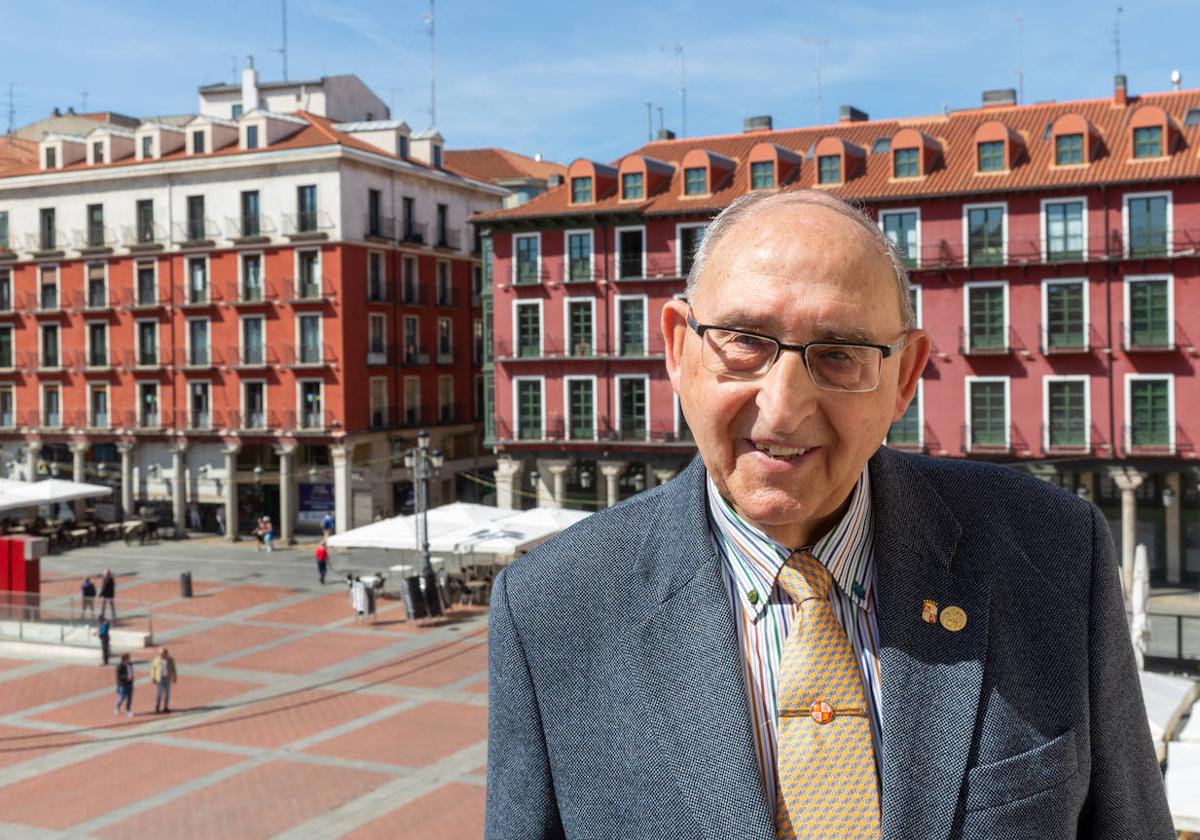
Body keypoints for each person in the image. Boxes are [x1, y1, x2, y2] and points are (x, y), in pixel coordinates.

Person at [485, 190, 1173, 839]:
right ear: (678, 347)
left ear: (904, 378)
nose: (783, 409)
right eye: (744, 340)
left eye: (840, 354)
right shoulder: (549, 611)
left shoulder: (1053, 553)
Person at [151, 648, 177, 713]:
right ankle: (157, 707)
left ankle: (166, 707)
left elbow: (173, 669)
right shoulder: (156, 660)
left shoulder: (170, 660)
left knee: (167, 694)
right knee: (159, 694)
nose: (161, 655)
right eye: (160, 654)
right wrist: (153, 678)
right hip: (159, 679)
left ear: (166, 653)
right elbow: (153, 669)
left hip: (167, 678)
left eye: (163, 653)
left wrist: (174, 677)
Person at [114, 653, 133, 717]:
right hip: (123, 685)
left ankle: (127, 710)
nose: (129, 659)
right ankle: (117, 707)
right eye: (128, 658)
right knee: (122, 697)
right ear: (124, 658)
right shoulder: (120, 666)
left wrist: (131, 679)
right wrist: (126, 677)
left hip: (130, 683)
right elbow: (119, 677)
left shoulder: (130, 664)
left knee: (130, 698)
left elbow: (131, 672)